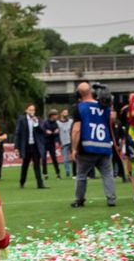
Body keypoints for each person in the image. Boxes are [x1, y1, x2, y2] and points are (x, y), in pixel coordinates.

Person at [70, 81, 116, 209]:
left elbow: (76, 130)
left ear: (79, 94)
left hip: (87, 147)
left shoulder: (80, 107)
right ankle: (111, 199)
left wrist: (74, 148)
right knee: (107, 174)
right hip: (104, 146)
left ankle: (79, 200)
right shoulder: (104, 106)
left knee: (81, 175)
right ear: (91, 91)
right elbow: (112, 119)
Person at [15, 104, 46, 189]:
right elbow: (18, 133)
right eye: (30, 110)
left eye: (33, 110)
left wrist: (36, 124)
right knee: (25, 165)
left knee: (37, 165)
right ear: (26, 110)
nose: (32, 111)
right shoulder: (22, 120)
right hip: (26, 146)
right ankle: (22, 182)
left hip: (35, 146)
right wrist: (16, 147)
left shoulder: (38, 119)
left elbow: (42, 131)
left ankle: (40, 184)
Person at [41, 109, 61, 178]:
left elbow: (56, 133)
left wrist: (56, 132)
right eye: (56, 115)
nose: (57, 116)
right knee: (44, 158)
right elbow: (42, 130)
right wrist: (46, 131)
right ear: (52, 115)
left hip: (51, 142)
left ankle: (58, 173)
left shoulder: (55, 123)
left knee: (54, 158)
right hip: (44, 142)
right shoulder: (45, 122)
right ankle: (45, 173)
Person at [57, 109, 72, 178]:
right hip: (63, 142)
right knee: (65, 159)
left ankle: (77, 172)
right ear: (61, 113)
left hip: (71, 141)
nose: (66, 114)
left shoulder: (71, 121)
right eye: (64, 112)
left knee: (76, 158)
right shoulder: (57, 123)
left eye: (67, 112)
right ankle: (67, 172)